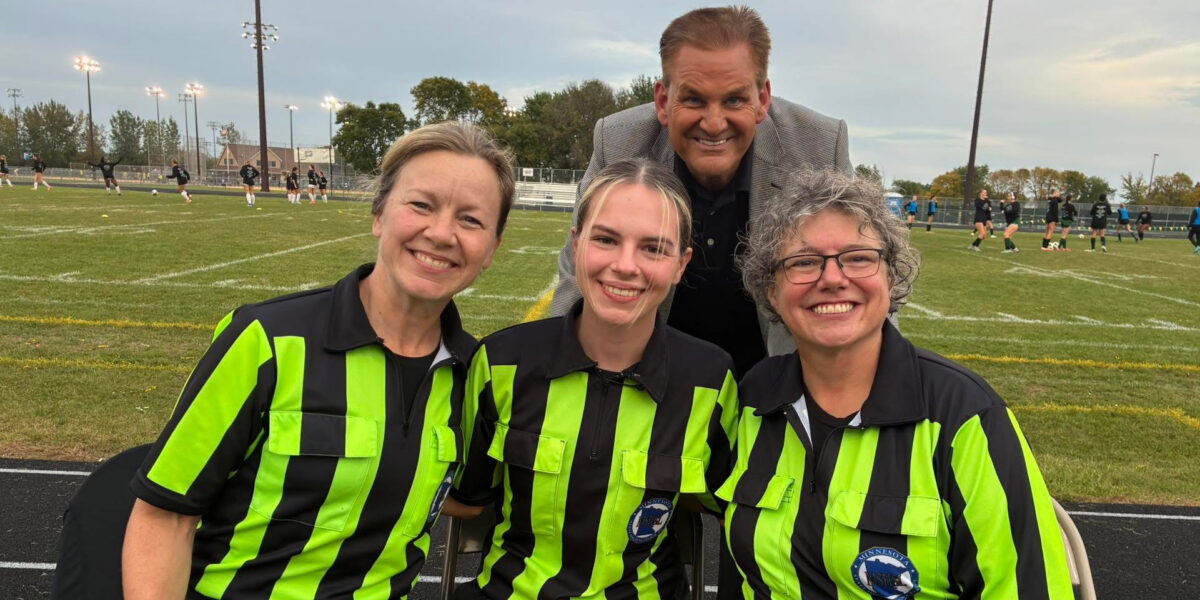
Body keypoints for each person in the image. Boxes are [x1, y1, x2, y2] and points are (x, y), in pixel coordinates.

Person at [122, 121, 516, 600]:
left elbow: (460, 496)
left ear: (492, 248)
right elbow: (165, 515)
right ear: (379, 214)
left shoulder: (474, 373)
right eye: (421, 205)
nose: (441, 233)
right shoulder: (267, 340)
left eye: (471, 220)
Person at [719, 168, 1072, 599]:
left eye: (858, 257)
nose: (832, 278)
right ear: (770, 290)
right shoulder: (754, 398)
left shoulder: (963, 416)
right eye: (804, 262)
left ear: (891, 275)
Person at [448, 159, 737, 600]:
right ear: (576, 244)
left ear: (682, 264)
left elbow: (727, 509)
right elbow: (469, 497)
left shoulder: (711, 381)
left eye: (653, 249)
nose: (625, 266)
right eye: (605, 239)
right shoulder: (502, 362)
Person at [552, 6, 852, 379]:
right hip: (653, 382)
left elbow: (860, 278)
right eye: (693, 100)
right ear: (663, 101)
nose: (713, 123)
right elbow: (578, 270)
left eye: (734, 100)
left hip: (774, 383)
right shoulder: (619, 141)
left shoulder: (819, 147)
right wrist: (553, 374)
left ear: (762, 100)